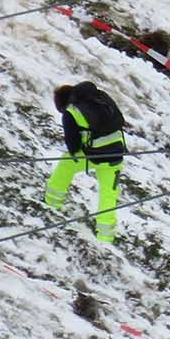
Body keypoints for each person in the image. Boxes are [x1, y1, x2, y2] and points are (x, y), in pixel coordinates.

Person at [45, 81, 127, 244]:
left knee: (66, 164)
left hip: (93, 154)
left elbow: (74, 147)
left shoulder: (71, 113)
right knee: (108, 195)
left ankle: (51, 205)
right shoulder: (101, 98)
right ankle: (105, 238)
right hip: (115, 155)